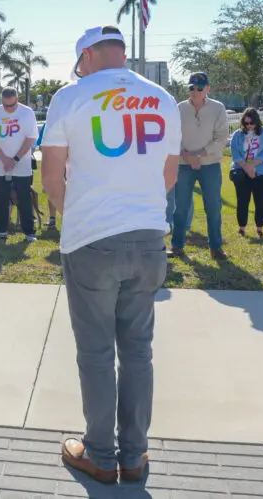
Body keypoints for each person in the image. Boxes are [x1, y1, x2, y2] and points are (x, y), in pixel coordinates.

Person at [41, 24, 180, 485]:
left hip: (93, 240)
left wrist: (75, 214)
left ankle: (100, 454)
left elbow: (52, 176)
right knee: (139, 351)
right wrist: (136, 206)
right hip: (148, 237)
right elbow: (169, 173)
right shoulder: (162, 96)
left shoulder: (72, 95)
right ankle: (134, 456)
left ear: (88, 57)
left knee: (97, 352)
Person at [170, 72, 229, 260]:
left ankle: (216, 247)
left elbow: (221, 139)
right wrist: (185, 154)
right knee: (180, 207)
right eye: (191, 88)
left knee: (213, 206)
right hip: (183, 164)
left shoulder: (218, 108)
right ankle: (177, 246)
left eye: (199, 88)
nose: (194, 91)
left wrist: (199, 155)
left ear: (208, 89)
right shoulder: (179, 109)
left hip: (209, 164)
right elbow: (172, 135)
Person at [0, 88, 39, 242]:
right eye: (6, 106)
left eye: (12, 105)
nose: (8, 109)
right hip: (0, 164)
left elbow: (31, 138)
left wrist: (15, 159)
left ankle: (29, 232)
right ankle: (1, 230)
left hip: (22, 163)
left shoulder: (27, 112)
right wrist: (4, 159)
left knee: (24, 197)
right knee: (1, 197)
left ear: (17, 99)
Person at [229, 108, 263, 238]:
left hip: (262, 173)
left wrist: (253, 166)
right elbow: (235, 153)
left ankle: (259, 227)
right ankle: (242, 227)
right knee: (242, 201)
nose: (249, 126)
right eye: (246, 123)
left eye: (252, 123)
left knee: (260, 201)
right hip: (242, 173)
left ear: (257, 122)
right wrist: (247, 168)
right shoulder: (237, 135)